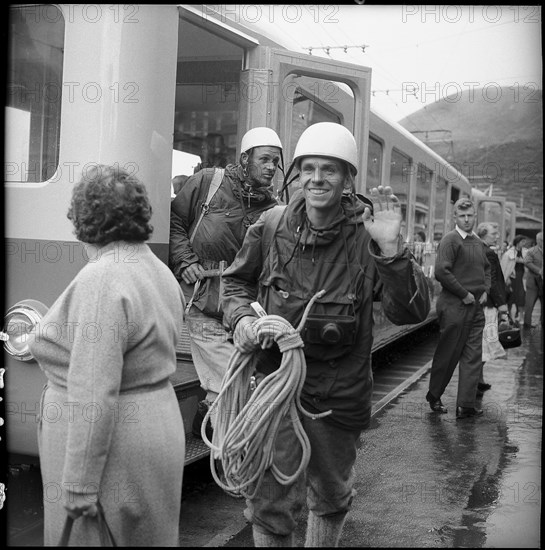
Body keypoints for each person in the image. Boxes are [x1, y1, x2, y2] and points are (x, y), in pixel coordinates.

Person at [221, 122, 430, 547]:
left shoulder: (368, 237)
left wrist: (391, 252)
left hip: (338, 396)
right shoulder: (271, 225)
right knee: (269, 501)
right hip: (275, 391)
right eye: (309, 168)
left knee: (331, 494)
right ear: (297, 172)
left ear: (348, 177)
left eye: (330, 170)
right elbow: (234, 284)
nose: (317, 179)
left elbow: (411, 311)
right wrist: (242, 320)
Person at [28, 164, 186, 546]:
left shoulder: (102, 279)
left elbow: (93, 388)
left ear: (85, 219)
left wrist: (80, 483)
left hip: (112, 454)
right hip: (156, 430)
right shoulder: (157, 269)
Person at [169, 127, 283, 438]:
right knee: (231, 379)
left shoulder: (273, 210)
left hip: (241, 310)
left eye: (275, 161)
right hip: (202, 303)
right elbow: (174, 221)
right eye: (264, 159)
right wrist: (185, 261)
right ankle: (230, 458)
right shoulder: (208, 182)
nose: (271, 167)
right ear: (245, 159)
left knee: (236, 378)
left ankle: (206, 415)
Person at [426, 197, 491, 419]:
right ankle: (434, 396)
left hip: (475, 307)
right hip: (455, 306)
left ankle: (466, 405)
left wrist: (485, 292)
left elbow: (488, 268)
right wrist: (464, 294)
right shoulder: (450, 240)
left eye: (470, 215)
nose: (466, 219)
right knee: (448, 354)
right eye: (462, 216)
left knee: (473, 356)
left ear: (475, 216)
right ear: (455, 217)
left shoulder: (478, 243)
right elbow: (441, 272)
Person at [476, 221, 509, 395]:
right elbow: (493, 280)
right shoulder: (489, 252)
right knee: (485, 343)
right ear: (483, 234)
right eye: (493, 233)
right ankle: (476, 381)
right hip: (488, 305)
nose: (497, 236)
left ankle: (479, 379)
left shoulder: (478, 248)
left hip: (482, 303)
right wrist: (502, 305)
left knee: (482, 344)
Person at [501, 234, 528, 326]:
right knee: (510, 298)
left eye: (525, 241)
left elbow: (528, 261)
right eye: (522, 241)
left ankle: (521, 317)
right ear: (517, 242)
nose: (524, 243)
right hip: (512, 278)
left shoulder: (525, 252)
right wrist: (506, 278)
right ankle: (509, 317)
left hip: (522, 278)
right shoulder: (509, 253)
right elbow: (504, 266)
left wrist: (523, 261)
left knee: (521, 298)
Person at [523, 231, 543, 328]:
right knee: (529, 305)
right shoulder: (531, 251)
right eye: (542, 241)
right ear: (538, 241)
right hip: (533, 284)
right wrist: (539, 271)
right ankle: (527, 324)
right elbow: (527, 262)